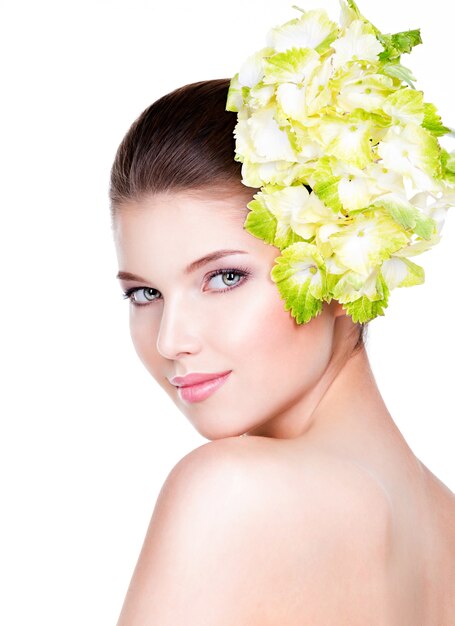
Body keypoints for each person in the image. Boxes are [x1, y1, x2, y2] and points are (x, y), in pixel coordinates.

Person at [109, 3, 455, 624]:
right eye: (144, 294)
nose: (170, 340)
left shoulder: (231, 492)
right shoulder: (444, 527)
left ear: (344, 258)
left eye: (224, 277)